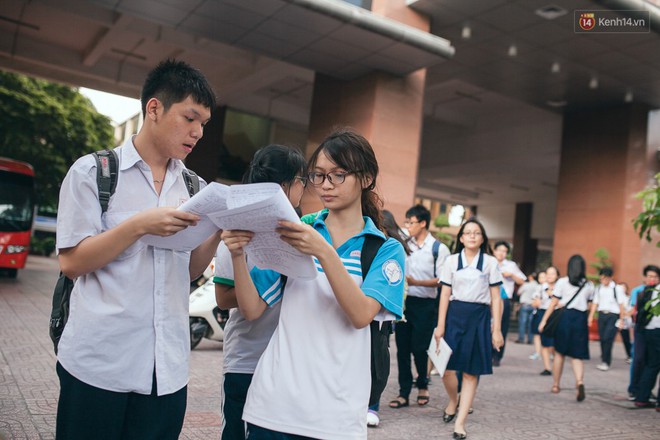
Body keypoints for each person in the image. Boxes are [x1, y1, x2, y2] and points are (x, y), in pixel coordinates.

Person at [54, 59, 221, 439]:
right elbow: (72, 263)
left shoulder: (196, 188)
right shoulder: (93, 173)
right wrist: (138, 226)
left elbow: (190, 271)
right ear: (154, 108)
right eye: (190, 118)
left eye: (204, 124)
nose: (197, 132)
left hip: (167, 371)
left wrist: (217, 231)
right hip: (99, 366)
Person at [223, 129, 405, 439]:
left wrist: (322, 250)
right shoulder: (297, 231)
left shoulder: (385, 249)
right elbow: (252, 309)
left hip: (337, 416)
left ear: (366, 178)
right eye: (318, 176)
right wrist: (238, 255)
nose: (326, 185)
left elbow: (360, 315)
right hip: (272, 408)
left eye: (338, 175)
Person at [213, 145, 307, 440]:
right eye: (301, 180)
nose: (304, 187)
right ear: (284, 186)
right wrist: (264, 291)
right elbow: (222, 298)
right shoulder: (236, 234)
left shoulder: (305, 233)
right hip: (248, 359)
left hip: (288, 363)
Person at [434, 218, 504, 440]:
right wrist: (440, 324)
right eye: (468, 233)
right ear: (461, 238)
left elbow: (496, 297)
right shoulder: (452, 261)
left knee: (471, 372)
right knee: (445, 368)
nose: (472, 236)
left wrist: (497, 329)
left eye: (477, 233)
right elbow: (445, 294)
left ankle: (461, 423)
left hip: (479, 318)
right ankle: (453, 400)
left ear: (482, 238)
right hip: (454, 315)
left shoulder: (491, 263)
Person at [390, 204, 450, 409]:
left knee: (420, 348)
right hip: (404, 303)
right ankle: (404, 392)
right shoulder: (404, 245)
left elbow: (443, 280)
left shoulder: (438, 249)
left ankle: (423, 386)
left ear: (423, 223)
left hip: (426, 304)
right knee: (402, 349)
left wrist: (418, 283)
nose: (407, 226)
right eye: (406, 222)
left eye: (411, 222)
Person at [367, 209, 411, 428]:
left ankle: (373, 405)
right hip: (365, 311)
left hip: (384, 314)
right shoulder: (366, 243)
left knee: (378, 357)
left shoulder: (393, 249)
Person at [539, 255, 595, 402]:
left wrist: (544, 320)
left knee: (559, 354)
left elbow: (553, 303)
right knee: (577, 356)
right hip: (580, 319)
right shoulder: (589, 285)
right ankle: (580, 382)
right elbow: (589, 305)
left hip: (565, 318)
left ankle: (556, 385)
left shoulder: (563, 282)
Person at [628, 265, 660, 401]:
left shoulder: (650, 291)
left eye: (654, 276)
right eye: (649, 276)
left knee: (650, 362)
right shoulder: (641, 291)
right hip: (646, 330)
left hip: (649, 331)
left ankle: (642, 394)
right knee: (642, 360)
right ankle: (636, 391)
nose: (651, 279)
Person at [492, 241, 526, 366]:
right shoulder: (489, 262)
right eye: (499, 250)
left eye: (504, 251)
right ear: (494, 250)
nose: (501, 253)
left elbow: (522, 281)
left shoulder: (510, 265)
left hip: (504, 299)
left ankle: (497, 356)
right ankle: (487, 353)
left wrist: (511, 275)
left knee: (502, 327)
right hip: (488, 299)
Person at [588, 267, 626, 372]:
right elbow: (595, 302)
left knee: (608, 338)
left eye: (605, 278)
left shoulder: (617, 288)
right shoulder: (599, 288)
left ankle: (606, 361)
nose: (603, 281)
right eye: (601, 279)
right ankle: (604, 358)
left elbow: (621, 304)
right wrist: (591, 316)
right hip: (602, 315)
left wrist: (621, 320)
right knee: (602, 338)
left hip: (613, 316)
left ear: (610, 277)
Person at [533, 267, 558, 376]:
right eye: (548, 274)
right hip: (542, 313)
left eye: (552, 274)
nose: (550, 276)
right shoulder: (540, 288)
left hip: (555, 315)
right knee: (544, 342)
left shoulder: (560, 288)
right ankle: (547, 368)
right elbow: (534, 302)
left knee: (554, 342)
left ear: (557, 275)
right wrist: (536, 302)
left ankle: (556, 364)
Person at [516, 273, 540, 344]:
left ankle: (521, 338)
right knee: (531, 323)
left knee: (522, 323)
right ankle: (530, 339)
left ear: (531, 277)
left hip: (525, 305)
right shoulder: (538, 286)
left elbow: (518, 293)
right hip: (533, 305)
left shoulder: (526, 285)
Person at [528, 270, 546, 361]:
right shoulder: (538, 288)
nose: (541, 279)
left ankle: (548, 352)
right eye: (540, 277)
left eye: (544, 277)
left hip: (547, 312)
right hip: (538, 312)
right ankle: (538, 352)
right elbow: (534, 302)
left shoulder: (553, 288)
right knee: (537, 334)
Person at [618, 282, 633, 363]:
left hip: (625, 319)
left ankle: (630, 355)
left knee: (625, 338)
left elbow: (631, 309)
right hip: (615, 318)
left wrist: (625, 313)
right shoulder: (615, 297)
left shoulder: (629, 298)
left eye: (623, 287)